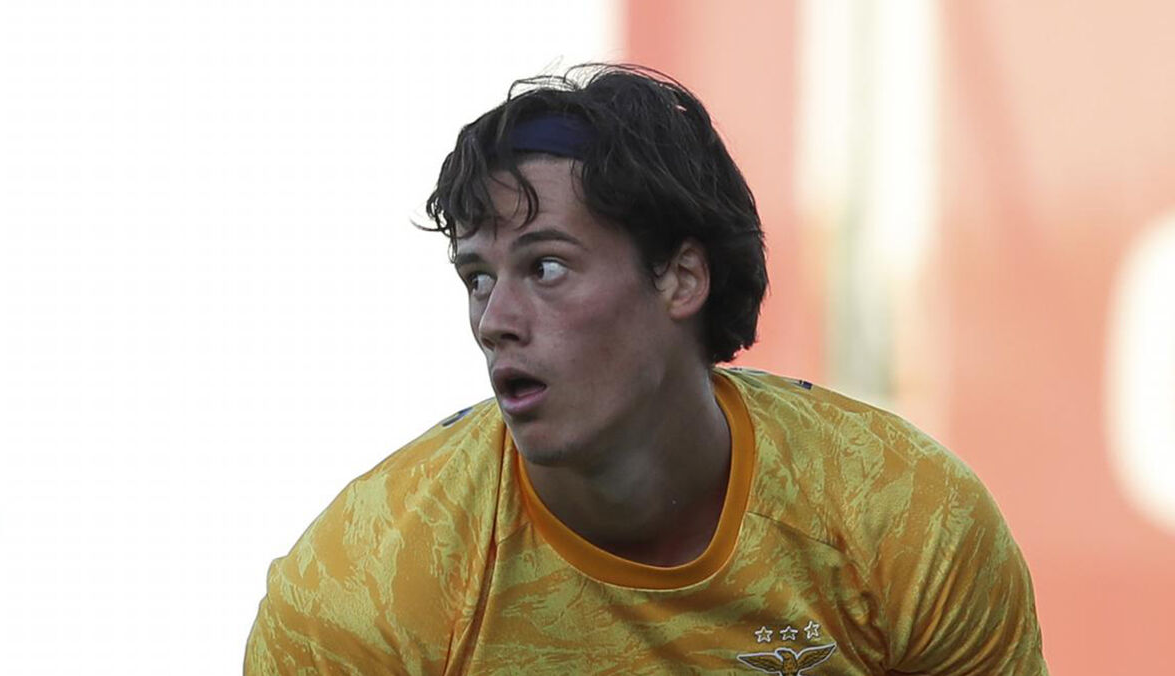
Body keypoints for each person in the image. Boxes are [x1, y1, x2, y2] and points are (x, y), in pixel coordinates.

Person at [244, 64, 1048, 675]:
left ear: (681, 279)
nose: (495, 321)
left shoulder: (906, 519)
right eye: (478, 278)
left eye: (546, 267)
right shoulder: (366, 579)